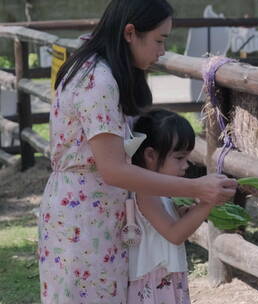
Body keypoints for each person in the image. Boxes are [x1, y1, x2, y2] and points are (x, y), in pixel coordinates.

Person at [38, 0, 237, 303]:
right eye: (159, 40)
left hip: (93, 213)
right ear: (130, 32)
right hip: (85, 218)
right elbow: (114, 169)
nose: (162, 50)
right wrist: (196, 187)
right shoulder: (98, 81)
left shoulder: (95, 68)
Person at [127, 109, 210, 303]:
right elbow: (175, 234)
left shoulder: (157, 190)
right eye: (179, 158)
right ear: (150, 155)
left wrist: (181, 213)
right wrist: (207, 203)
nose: (186, 165)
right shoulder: (146, 191)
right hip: (154, 282)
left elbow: (164, 225)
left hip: (164, 277)